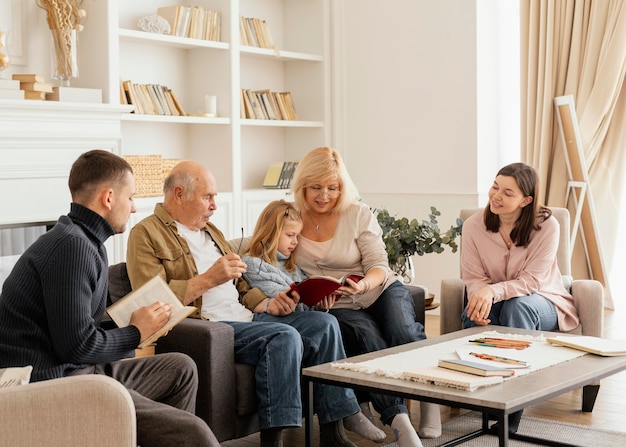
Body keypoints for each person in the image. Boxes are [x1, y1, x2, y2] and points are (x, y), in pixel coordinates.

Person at [125, 160, 385, 447]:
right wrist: (209, 279)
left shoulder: (211, 232)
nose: (214, 206)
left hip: (248, 317)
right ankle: (274, 441)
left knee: (324, 324)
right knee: (284, 336)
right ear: (178, 194)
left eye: (215, 197)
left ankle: (332, 434)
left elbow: (240, 284)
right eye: (207, 197)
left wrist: (269, 305)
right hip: (212, 326)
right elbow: (150, 299)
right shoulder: (146, 234)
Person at [0, 150, 219, 447]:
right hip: (50, 382)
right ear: (108, 198)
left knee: (181, 368)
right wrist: (135, 332)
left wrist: (139, 326)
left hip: (77, 369)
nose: (133, 208)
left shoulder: (87, 242)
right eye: (130, 198)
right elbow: (76, 346)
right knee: (194, 434)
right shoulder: (71, 248)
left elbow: (80, 329)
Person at [290, 146, 442, 447]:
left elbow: (378, 266)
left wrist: (362, 285)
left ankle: (430, 397)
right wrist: (313, 296)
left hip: (378, 289)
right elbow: (281, 264)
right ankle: (399, 421)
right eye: (316, 188)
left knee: (402, 330)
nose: (324, 195)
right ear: (302, 185)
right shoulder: (290, 217)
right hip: (337, 303)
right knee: (367, 335)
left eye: (333, 188)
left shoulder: (357, 213)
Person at [460, 161, 579, 433]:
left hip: (543, 300)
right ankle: (479, 397)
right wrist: (480, 297)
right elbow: (473, 277)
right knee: (472, 313)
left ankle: (511, 411)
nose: (496, 196)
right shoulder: (473, 226)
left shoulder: (547, 226)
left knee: (517, 308)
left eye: (507, 193)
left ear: (526, 200)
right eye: (494, 187)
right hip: (498, 298)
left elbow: (532, 281)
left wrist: (492, 291)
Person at [241, 199, 338, 313]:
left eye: (297, 236)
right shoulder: (252, 263)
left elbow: (302, 302)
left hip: (299, 316)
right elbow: (282, 299)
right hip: (274, 319)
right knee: (327, 321)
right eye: (290, 235)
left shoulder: (292, 266)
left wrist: (319, 306)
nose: (295, 241)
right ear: (271, 233)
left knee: (330, 319)